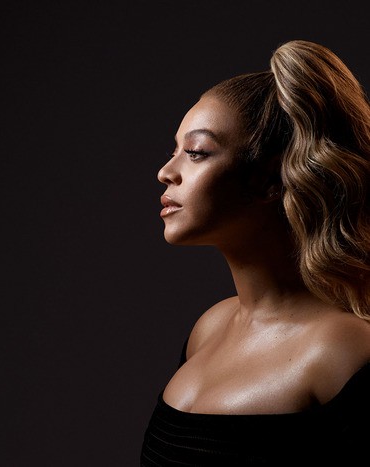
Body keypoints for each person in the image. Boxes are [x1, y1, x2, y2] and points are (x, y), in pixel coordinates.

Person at [140, 39, 370, 466]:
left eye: (196, 153)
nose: (166, 172)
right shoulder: (209, 329)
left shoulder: (345, 350)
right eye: (174, 152)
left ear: (272, 180)